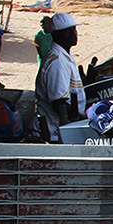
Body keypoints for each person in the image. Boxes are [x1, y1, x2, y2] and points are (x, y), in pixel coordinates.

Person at [35, 13, 85, 142]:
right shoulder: (58, 63)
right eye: (68, 31)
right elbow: (59, 103)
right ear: (56, 35)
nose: (74, 33)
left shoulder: (64, 57)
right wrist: (80, 119)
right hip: (54, 132)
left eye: (74, 29)